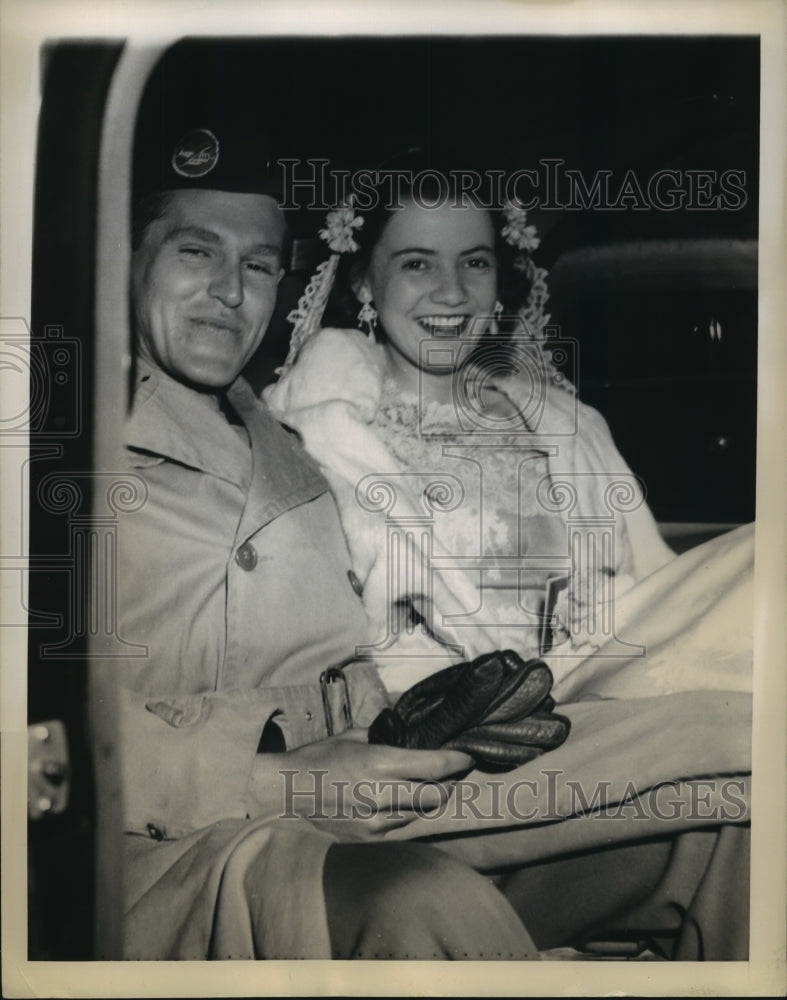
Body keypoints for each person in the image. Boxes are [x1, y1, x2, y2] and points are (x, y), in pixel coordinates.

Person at [116, 132, 752, 962]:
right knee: (428, 897)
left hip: (420, 744)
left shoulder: (276, 441)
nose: (230, 291)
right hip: (266, 805)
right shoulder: (303, 426)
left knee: (737, 805)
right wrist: (282, 774)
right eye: (196, 251)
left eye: (260, 264)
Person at [264, 165, 754, 701]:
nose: (452, 292)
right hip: (443, 723)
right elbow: (323, 637)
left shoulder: (568, 427)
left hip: (601, 690)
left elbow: (648, 589)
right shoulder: (320, 437)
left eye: (474, 262)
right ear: (363, 281)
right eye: (416, 264)